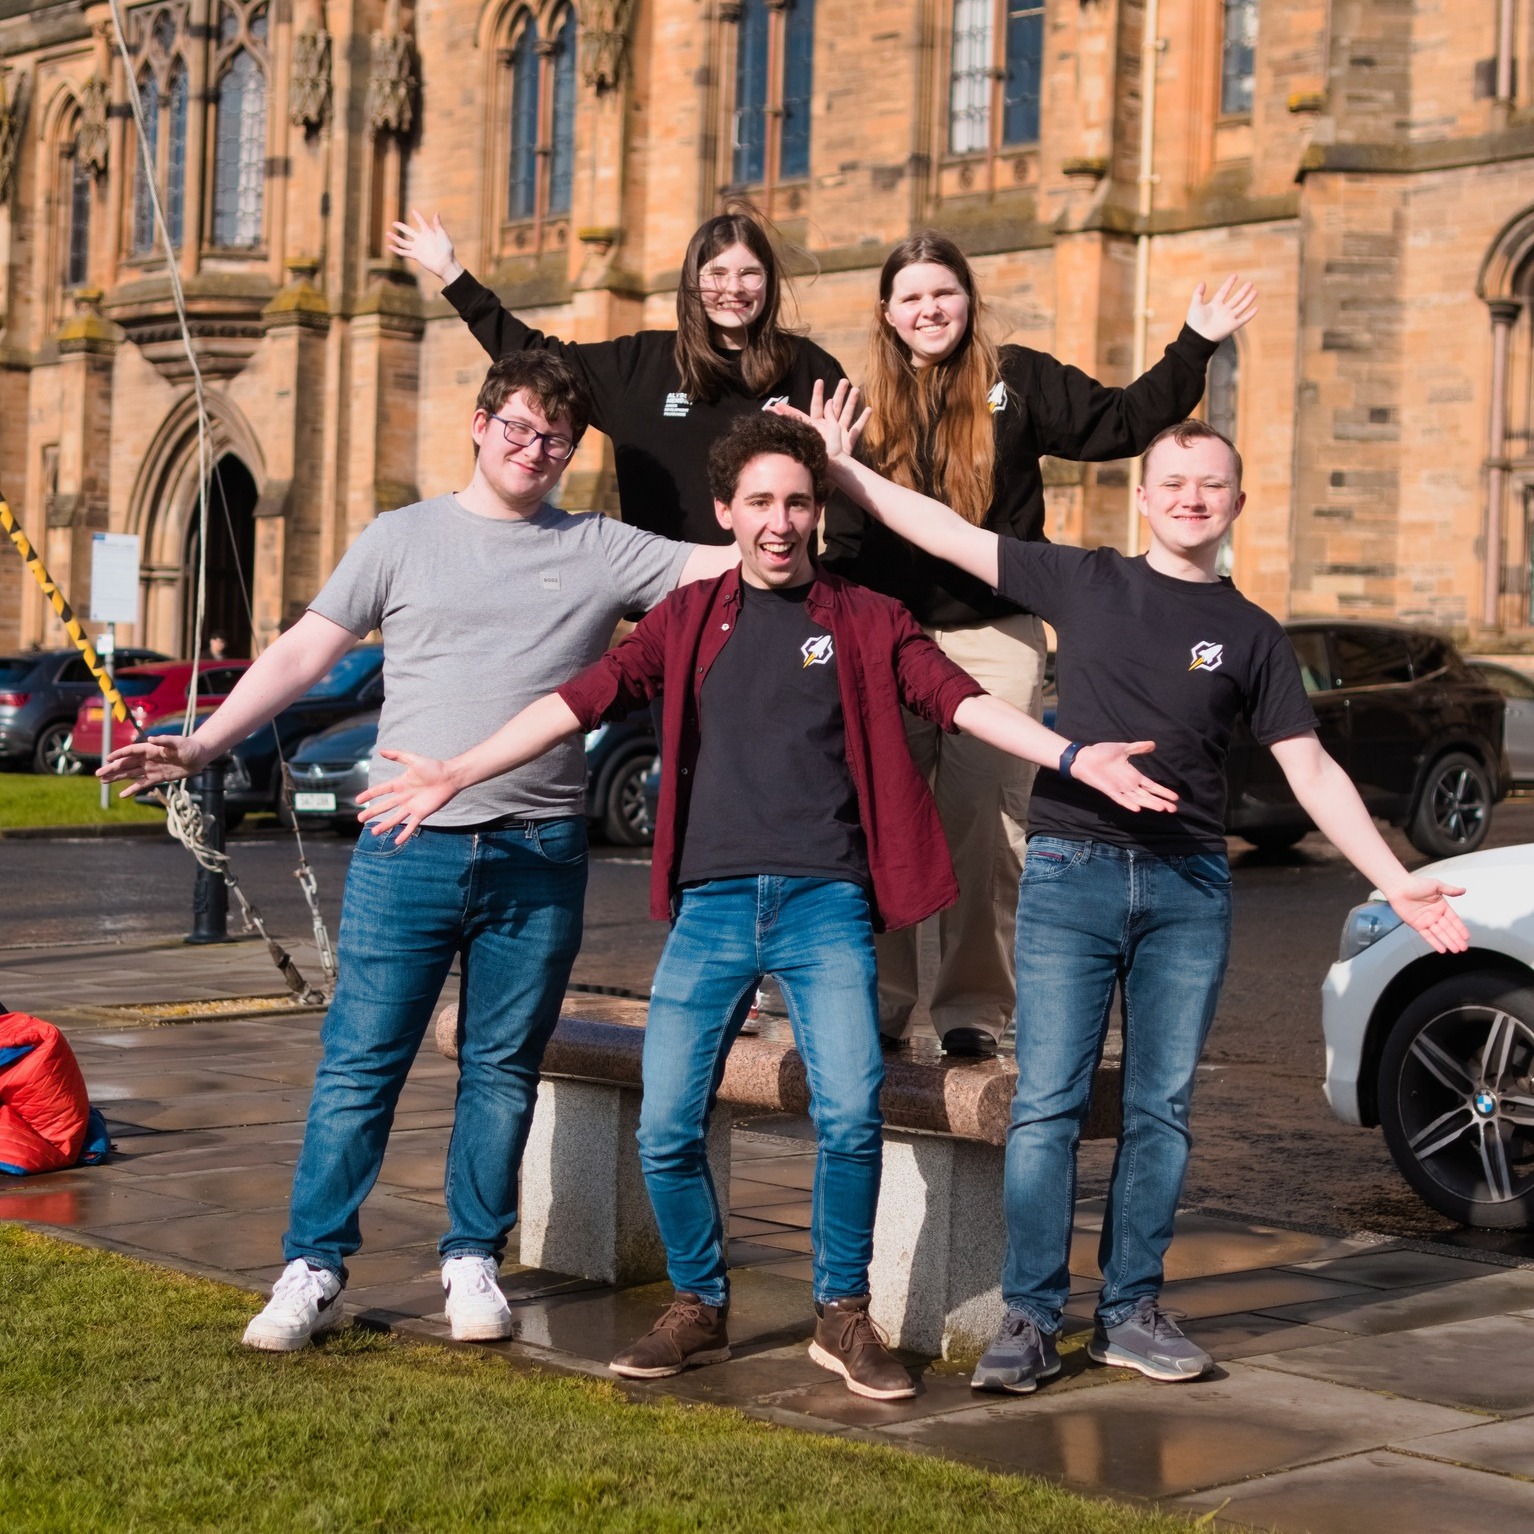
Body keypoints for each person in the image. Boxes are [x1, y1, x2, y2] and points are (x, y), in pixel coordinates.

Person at [354, 412, 1178, 1400]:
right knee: (666, 1123)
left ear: (817, 510)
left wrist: (1072, 753)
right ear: (726, 512)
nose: (779, 521)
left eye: (796, 501)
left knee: (849, 1115)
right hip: (709, 910)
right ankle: (699, 1303)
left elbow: (959, 699)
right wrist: (456, 768)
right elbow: (579, 700)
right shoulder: (690, 616)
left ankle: (840, 1313)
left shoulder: (867, 619)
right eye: (759, 503)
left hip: (824, 906)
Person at [801, 386, 1469, 1389]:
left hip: (1188, 887)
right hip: (1071, 872)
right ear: (1141, 499)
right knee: (1048, 1107)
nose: (1191, 498)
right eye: (1173, 484)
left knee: (1159, 1109)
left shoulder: (1250, 634)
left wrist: (1396, 880)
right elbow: (940, 531)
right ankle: (1027, 1319)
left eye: (1211, 486)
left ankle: (1128, 1311)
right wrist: (842, 469)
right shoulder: (1084, 579)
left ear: (1237, 503)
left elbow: (1311, 769)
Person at [98, 353, 739, 1351]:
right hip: (409, 848)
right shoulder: (402, 537)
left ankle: (470, 1258)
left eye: (557, 442)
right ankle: (312, 1264)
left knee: (500, 1066)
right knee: (361, 1063)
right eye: (520, 430)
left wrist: (821, 472)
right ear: (480, 424)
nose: (536, 452)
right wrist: (204, 741)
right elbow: (307, 649)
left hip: (540, 850)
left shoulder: (604, 547)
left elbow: (743, 558)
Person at [823, 232, 1258, 1057]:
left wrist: (1195, 340)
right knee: (882, 823)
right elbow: (841, 542)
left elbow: (1123, 422)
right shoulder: (862, 405)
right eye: (911, 297)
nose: (929, 310)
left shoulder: (1016, 379)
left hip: (995, 638)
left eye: (943, 293)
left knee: (987, 829)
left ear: (968, 299)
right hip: (888, 643)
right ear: (887, 313)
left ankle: (971, 1013)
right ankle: (880, 1003)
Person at [388, 207, 848, 546]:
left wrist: (839, 575)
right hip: (666, 606)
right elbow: (534, 357)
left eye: (750, 273)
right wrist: (451, 273)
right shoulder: (641, 366)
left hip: (778, 601)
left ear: (768, 282)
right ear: (692, 280)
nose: (733, 288)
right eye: (717, 273)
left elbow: (852, 476)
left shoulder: (810, 371)